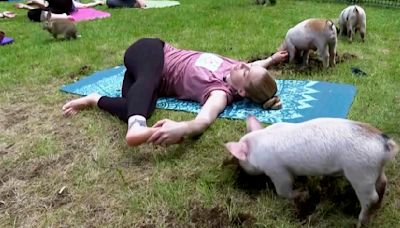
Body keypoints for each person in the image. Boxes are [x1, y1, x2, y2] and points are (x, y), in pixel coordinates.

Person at [62, 38, 288, 147]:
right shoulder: (236, 66)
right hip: (151, 51)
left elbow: (204, 120)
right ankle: (136, 126)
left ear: (240, 90)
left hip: (143, 78)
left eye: (247, 72)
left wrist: (182, 128)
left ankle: (94, 99)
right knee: (147, 84)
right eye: (248, 65)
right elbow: (258, 65)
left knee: (137, 105)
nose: (244, 65)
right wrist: (271, 60)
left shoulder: (219, 93)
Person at [15, 0, 105, 22]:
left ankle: (62, 17)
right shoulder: (73, 4)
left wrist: (33, 2)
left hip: (59, 10)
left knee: (32, 14)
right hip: (67, 6)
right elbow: (85, 5)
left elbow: (44, 6)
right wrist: (97, 2)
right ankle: (63, 16)